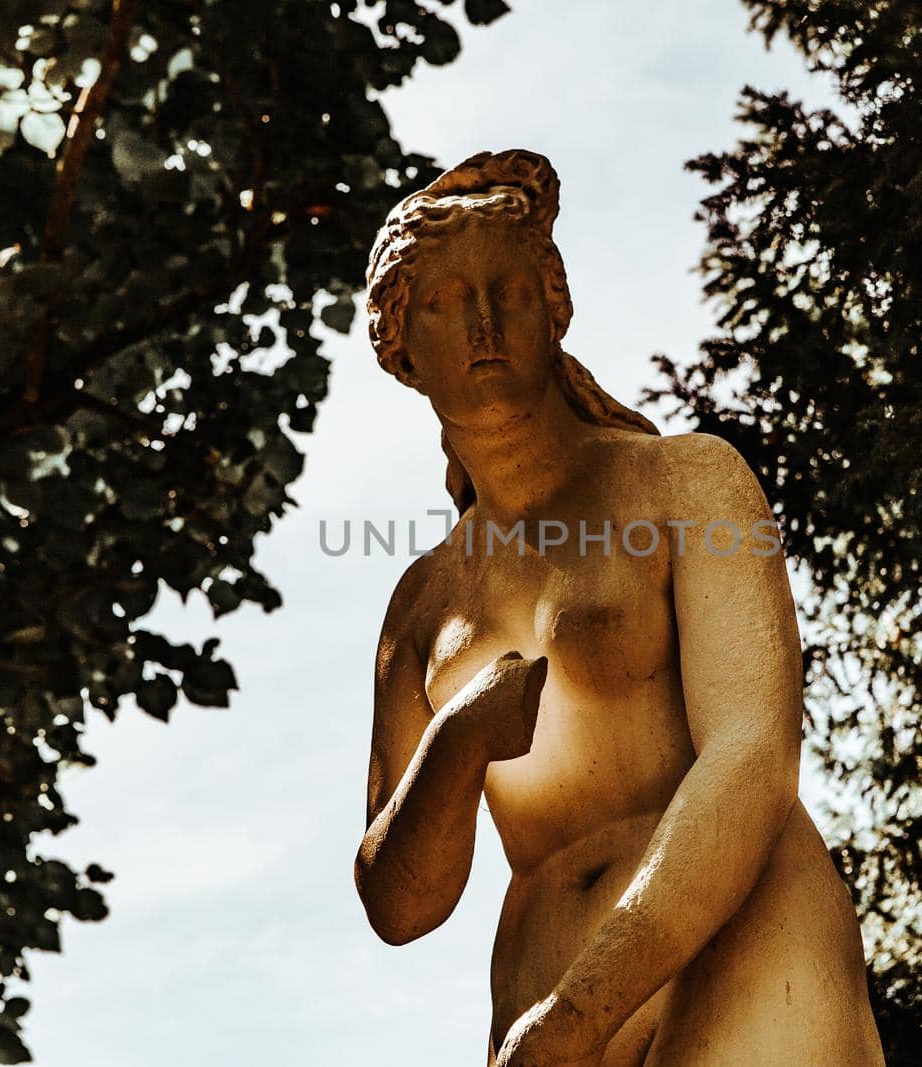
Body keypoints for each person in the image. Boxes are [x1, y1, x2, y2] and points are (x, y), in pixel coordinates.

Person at [353, 149, 885, 1066]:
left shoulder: (684, 481)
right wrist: (458, 740)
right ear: (402, 345)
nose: (483, 322)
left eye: (509, 290)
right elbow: (401, 906)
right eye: (445, 300)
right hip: (539, 1010)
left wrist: (578, 1010)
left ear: (552, 308)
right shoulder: (423, 605)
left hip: (739, 937)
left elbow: (753, 757)